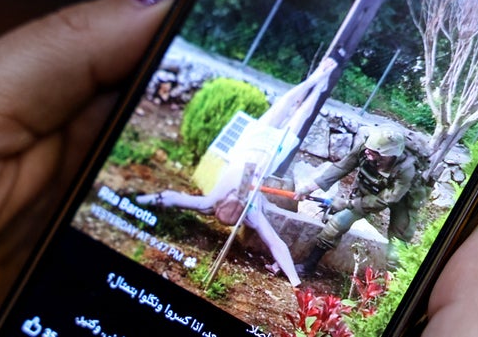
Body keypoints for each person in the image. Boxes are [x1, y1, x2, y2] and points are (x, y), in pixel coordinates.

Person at [0, 0, 478, 336]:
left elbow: (253, 207)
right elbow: (265, 165)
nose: (226, 215)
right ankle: (311, 83)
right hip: (259, 149)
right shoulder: (238, 185)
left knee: (279, 136)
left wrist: (165, 197)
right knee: (278, 121)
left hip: (261, 157)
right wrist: (151, 196)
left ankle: (313, 87)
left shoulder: (243, 194)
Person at [136, 55, 338, 288]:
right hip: (270, 154)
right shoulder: (252, 213)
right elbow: (277, 244)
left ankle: (315, 78)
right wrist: (295, 282)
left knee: (284, 105)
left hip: (250, 146)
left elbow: (173, 198)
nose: (237, 196)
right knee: (300, 116)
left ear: (221, 203)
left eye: (235, 197)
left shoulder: (211, 202)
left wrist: (143, 200)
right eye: (238, 200)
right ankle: (319, 86)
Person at [291, 125, 424, 275]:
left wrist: (347, 203)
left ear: (387, 155)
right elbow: (341, 167)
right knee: (337, 223)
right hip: (369, 190)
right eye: (368, 148)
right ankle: (309, 266)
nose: (367, 151)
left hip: (403, 200)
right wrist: (309, 187)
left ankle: (392, 282)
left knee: (398, 244)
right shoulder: (365, 148)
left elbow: (386, 200)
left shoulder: (406, 170)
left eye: (373, 151)